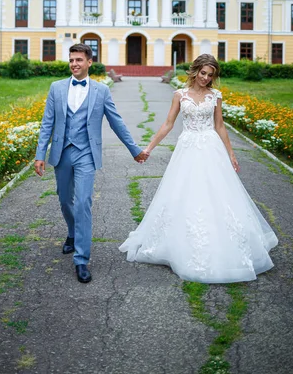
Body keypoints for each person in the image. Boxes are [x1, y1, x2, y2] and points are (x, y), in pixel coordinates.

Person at [119, 54, 278, 283]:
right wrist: (149, 148)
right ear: (195, 72)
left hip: (211, 148)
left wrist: (231, 153)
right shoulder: (179, 95)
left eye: (210, 75)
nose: (205, 78)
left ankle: (225, 242)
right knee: (185, 193)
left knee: (218, 194)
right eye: (203, 73)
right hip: (188, 148)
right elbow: (168, 124)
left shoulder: (215, 96)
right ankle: (178, 242)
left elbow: (220, 126)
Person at [35, 43, 148, 283]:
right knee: (65, 199)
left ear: (89, 63)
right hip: (62, 152)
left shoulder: (101, 91)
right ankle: (72, 233)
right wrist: (39, 154)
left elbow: (116, 122)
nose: (74, 64)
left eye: (78, 60)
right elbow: (47, 123)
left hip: (86, 153)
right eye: (71, 60)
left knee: (83, 202)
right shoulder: (56, 88)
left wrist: (134, 150)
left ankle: (81, 259)